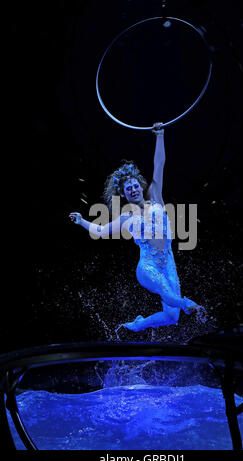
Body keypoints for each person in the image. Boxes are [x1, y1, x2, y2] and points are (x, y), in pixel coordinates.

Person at [69, 123, 207, 331]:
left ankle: (139, 324)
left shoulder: (156, 199)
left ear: (140, 187)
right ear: (124, 194)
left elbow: (159, 164)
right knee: (169, 295)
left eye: (135, 185)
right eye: (128, 188)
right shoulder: (126, 217)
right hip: (148, 267)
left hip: (168, 262)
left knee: (172, 317)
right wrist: (81, 221)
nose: (133, 189)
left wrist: (160, 135)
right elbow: (100, 231)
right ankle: (188, 304)